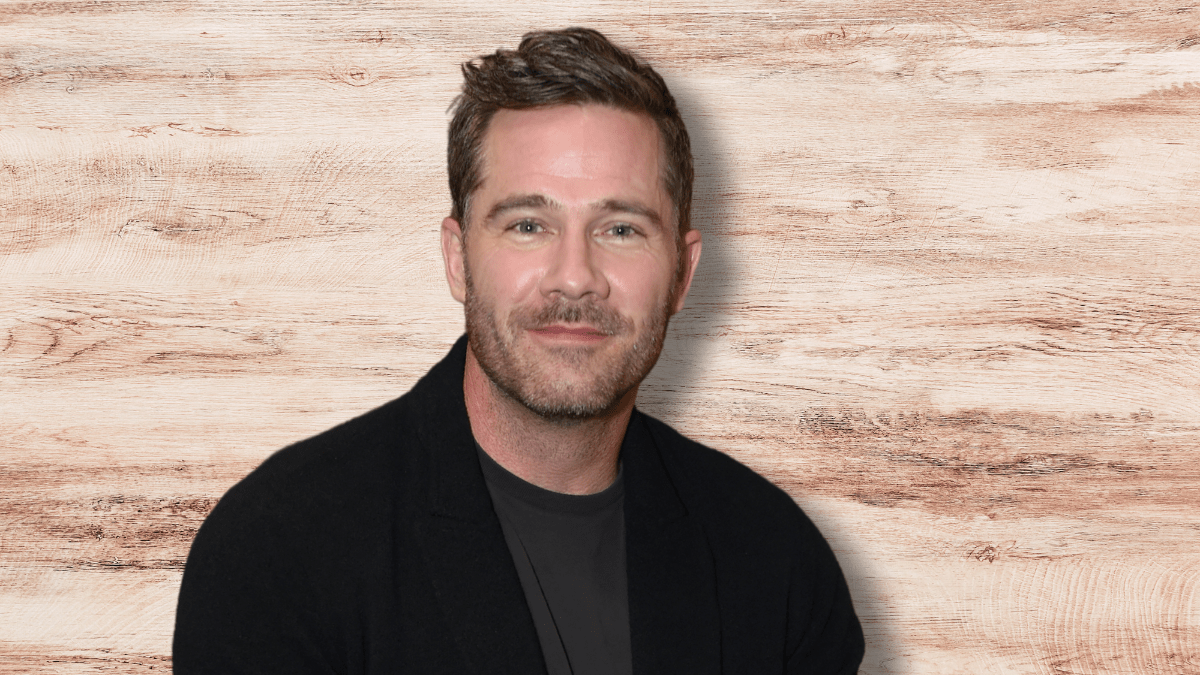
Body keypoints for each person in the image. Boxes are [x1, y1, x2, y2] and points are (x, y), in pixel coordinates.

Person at [174, 27, 864, 675]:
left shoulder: (778, 563)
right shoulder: (279, 552)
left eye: (621, 229)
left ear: (682, 273)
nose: (575, 277)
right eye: (529, 225)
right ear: (457, 259)